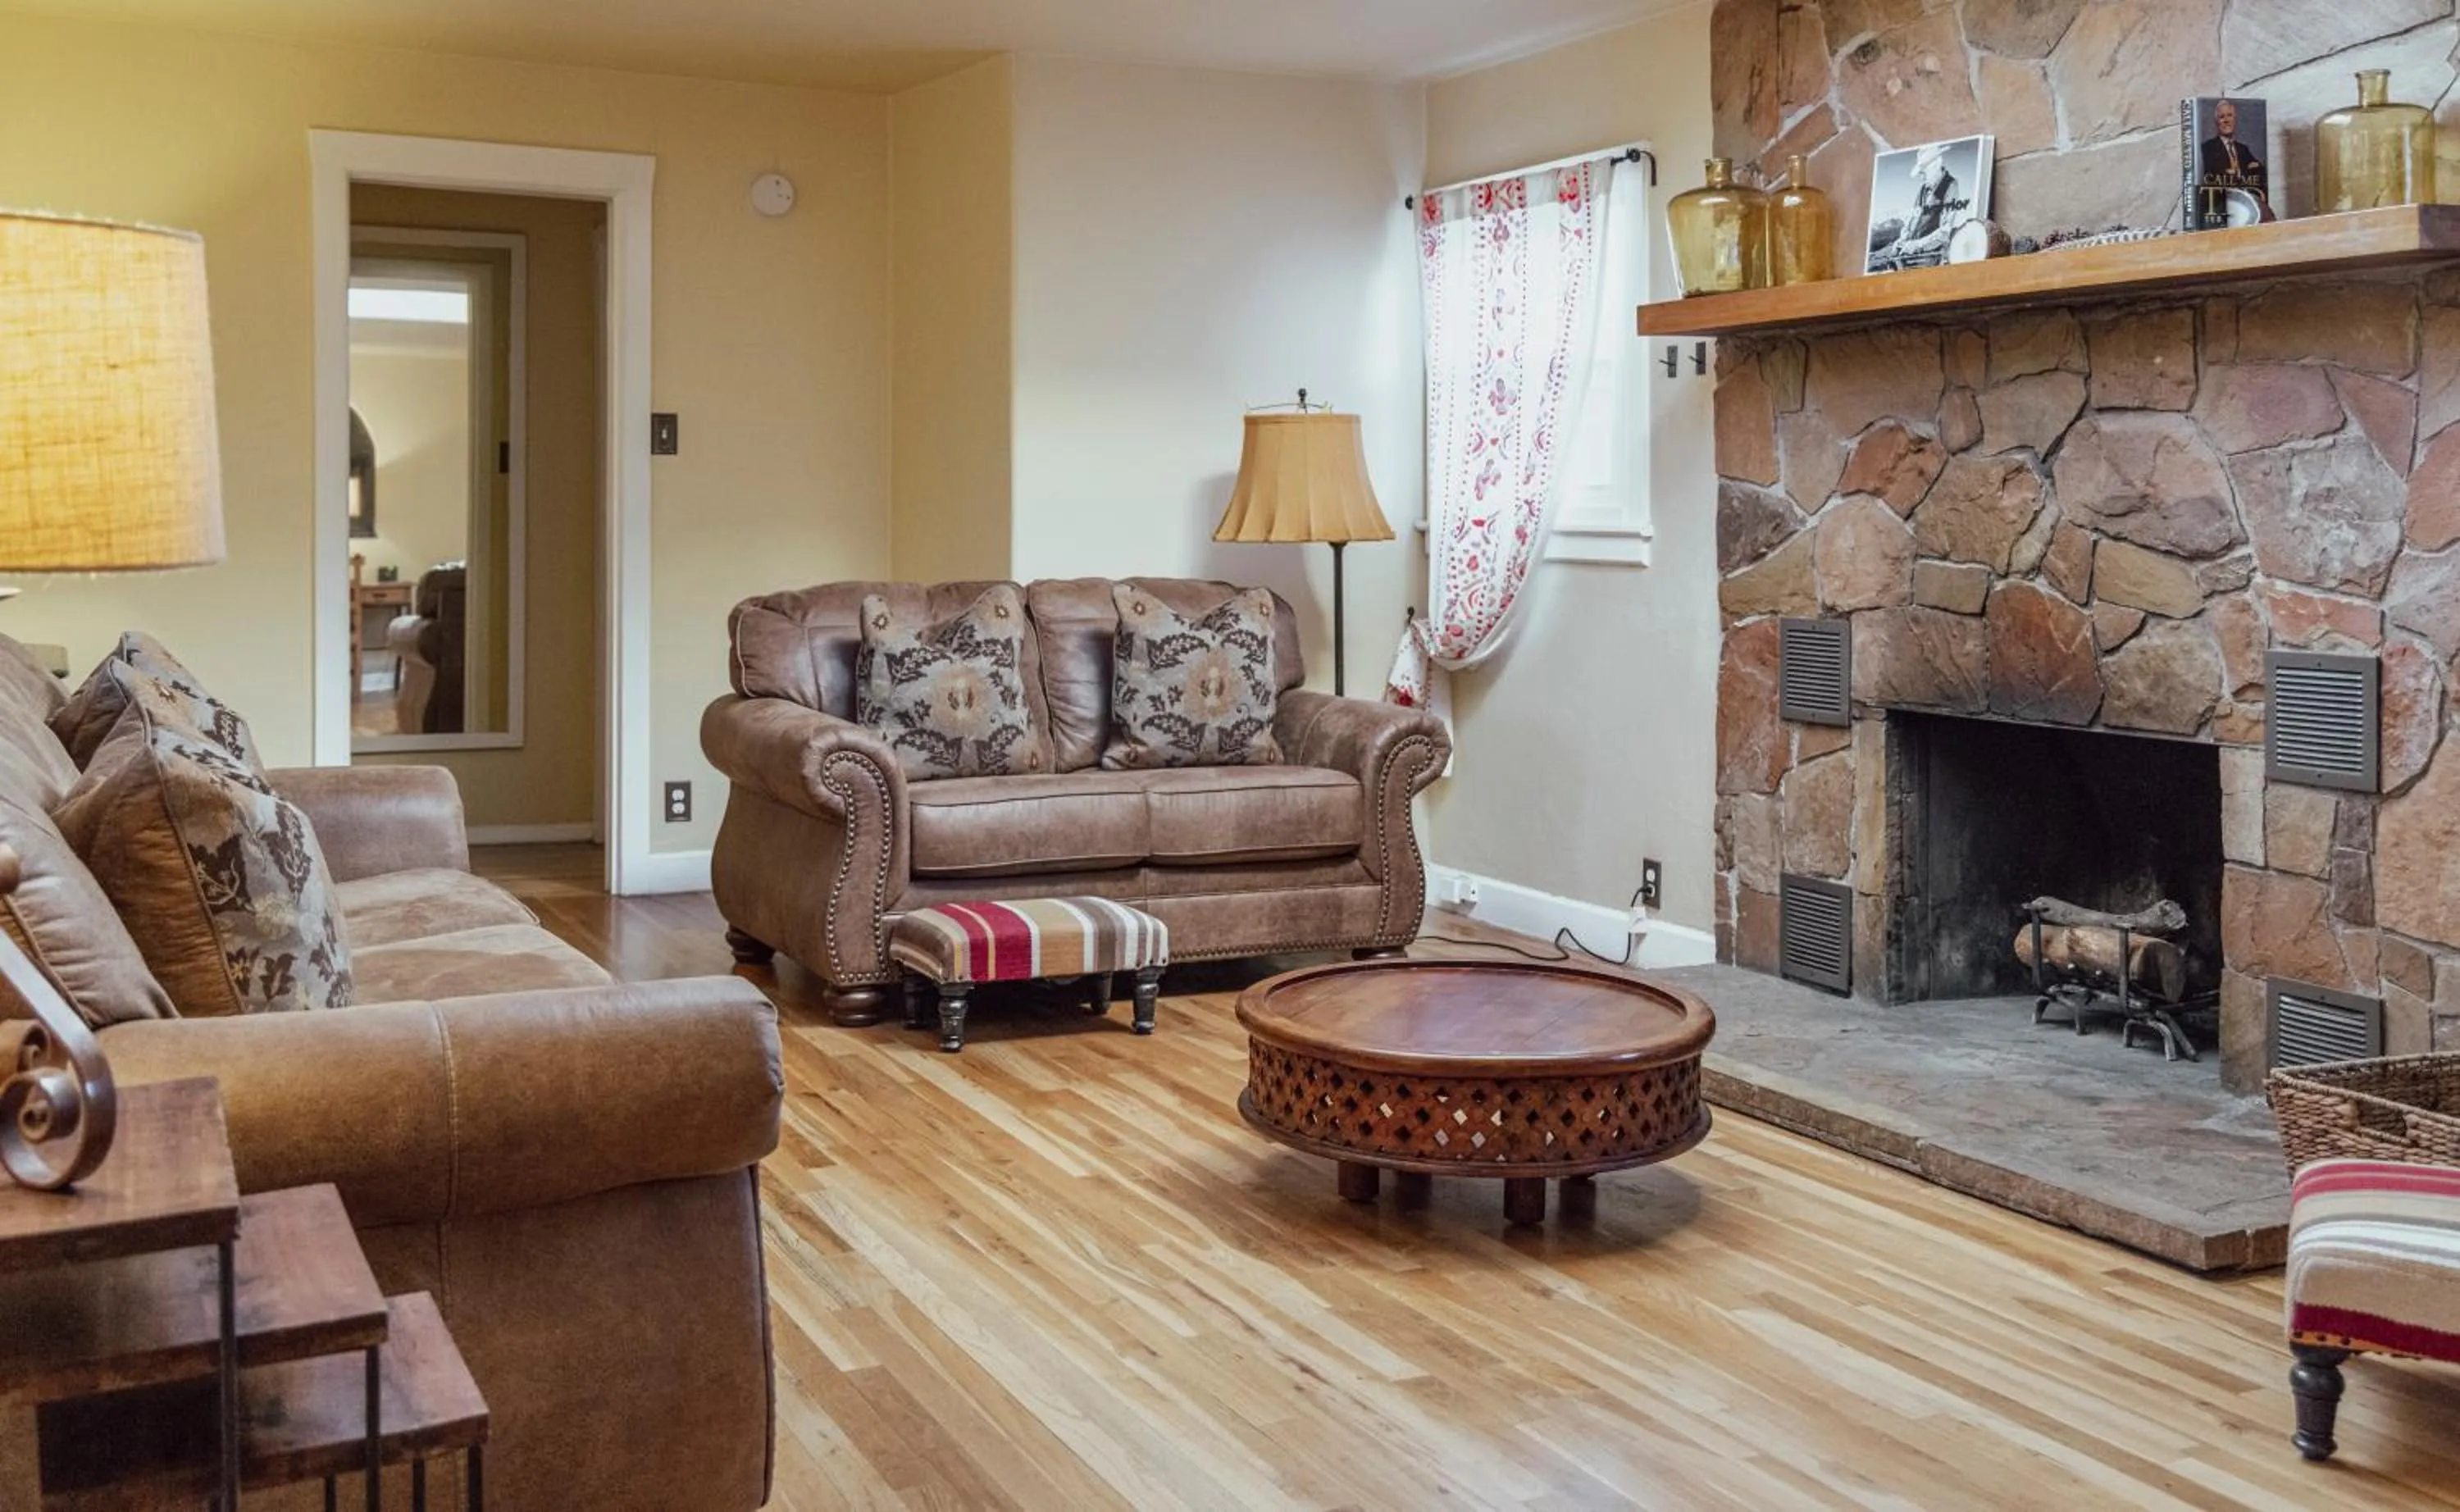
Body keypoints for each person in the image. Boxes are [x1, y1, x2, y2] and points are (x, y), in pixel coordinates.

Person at [2199, 98, 2263, 182]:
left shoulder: (2243, 149)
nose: (2226, 120)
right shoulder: (2207, 148)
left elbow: (2261, 171)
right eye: (2222, 117)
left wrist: (2236, 172)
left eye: (2230, 115)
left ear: (2235, 119)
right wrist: (2245, 171)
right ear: (2216, 122)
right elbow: (2212, 176)